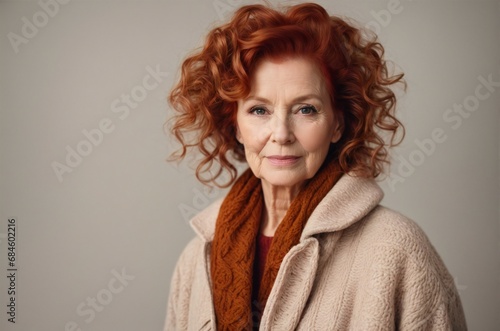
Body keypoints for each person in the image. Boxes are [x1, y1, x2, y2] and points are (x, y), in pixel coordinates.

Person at [164, 2, 467, 330]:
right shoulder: (197, 258)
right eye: (259, 110)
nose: (281, 134)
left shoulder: (398, 250)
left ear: (337, 123)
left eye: (305, 109)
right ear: (234, 124)